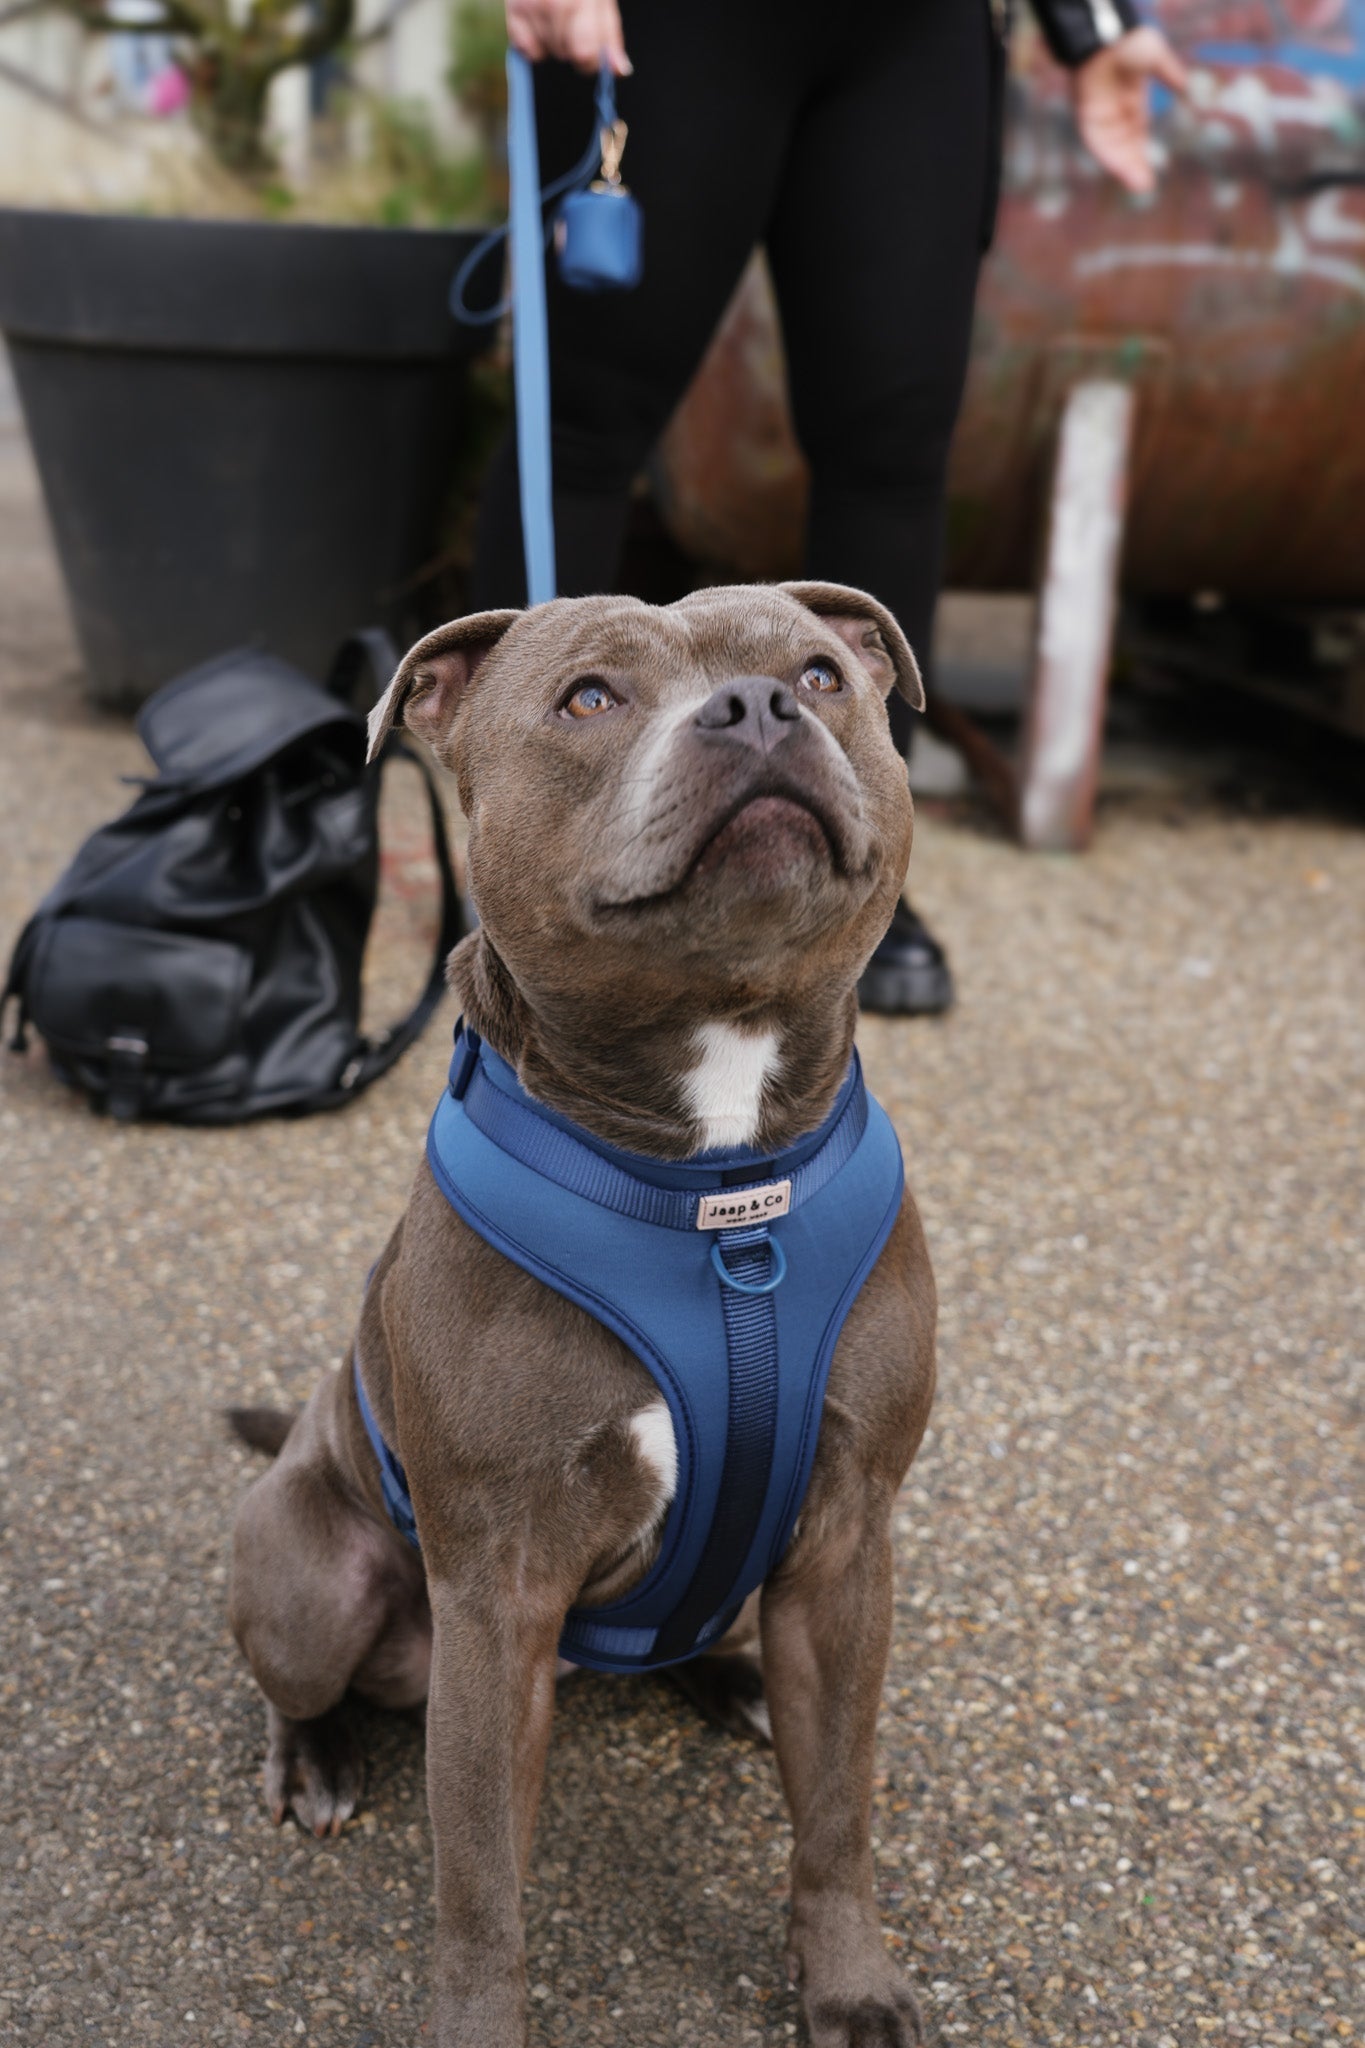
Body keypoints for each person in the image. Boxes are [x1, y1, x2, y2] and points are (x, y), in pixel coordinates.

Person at [472, 0, 1188, 1013]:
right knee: (583, 427)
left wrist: (1096, 26)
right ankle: (532, 868)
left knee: (891, 447)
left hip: (910, 38)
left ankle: (859, 878)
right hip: (667, 32)